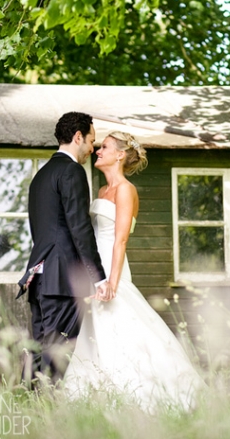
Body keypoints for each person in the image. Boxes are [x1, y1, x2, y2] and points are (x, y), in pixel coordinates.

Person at [62, 132, 204, 411]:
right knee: (95, 331)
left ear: (119, 155)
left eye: (104, 147)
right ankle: (95, 395)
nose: (98, 151)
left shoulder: (126, 190)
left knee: (121, 327)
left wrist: (111, 281)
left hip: (112, 268)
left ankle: (145, 393)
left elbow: (121, 239)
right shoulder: (102, 191)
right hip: (95, 267)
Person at [18, 112, 111, 383]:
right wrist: (98, 276)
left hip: (39, 276)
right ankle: (44, 413)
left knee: (38, 349)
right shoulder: (72, 171)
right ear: (78, 136)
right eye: (91, 141)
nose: (92, 149)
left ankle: (30, 409)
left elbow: (42, 230)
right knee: (57, 353)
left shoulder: (41, 175)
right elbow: (79, 228)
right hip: (62, 279)